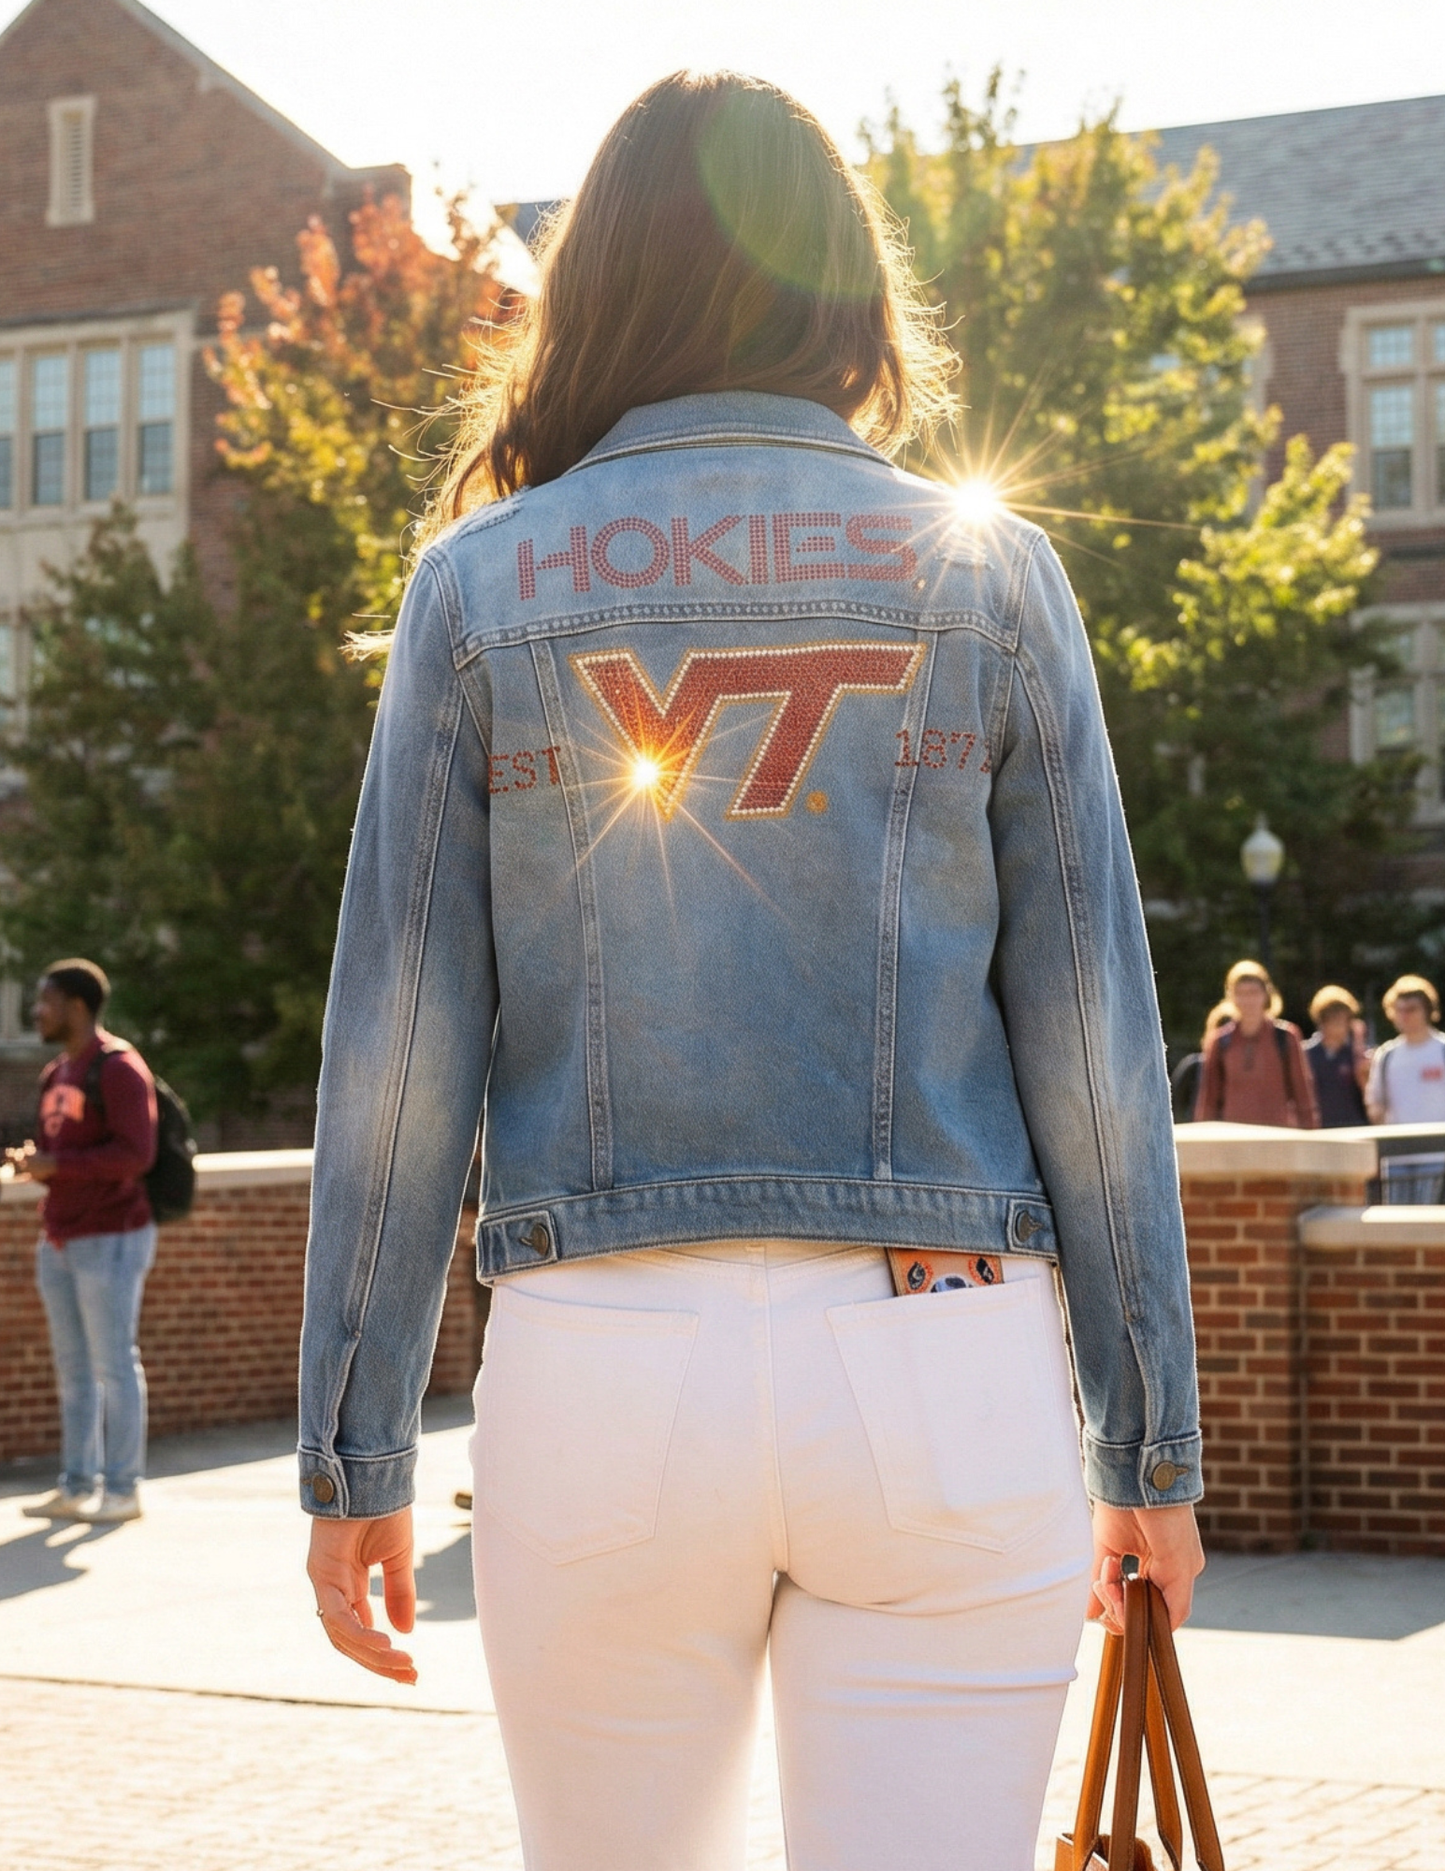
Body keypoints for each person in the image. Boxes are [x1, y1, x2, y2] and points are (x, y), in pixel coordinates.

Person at [298, 71, 1204, 1871]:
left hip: (602, 1359)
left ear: (600, 286)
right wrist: (1150, 1448)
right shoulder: (990, 572)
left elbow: (399, 1056)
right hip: (943, 1355)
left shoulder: (478, 586)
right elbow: (1095, 1046)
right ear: (848, 290)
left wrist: (355, 1453)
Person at [11, 959, 159, 1524]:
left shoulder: (118, 1068)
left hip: (113, 1237)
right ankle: (76, 1484)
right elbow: (68, 1153)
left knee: (114, 1364)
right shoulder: (57, 1074)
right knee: (72, 1369)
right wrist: (39, 1163)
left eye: (44, 1001)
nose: (36, 1012)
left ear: (75, 1005)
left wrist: (57, 1164)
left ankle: (122, 1490)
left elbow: (136, 1154)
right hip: (61, 1237)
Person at [1193, 959, 1320, 1128]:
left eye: (1253, 992)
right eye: (1241, 993)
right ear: (1232, 997)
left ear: (1265, 994)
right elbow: (1208, 1100)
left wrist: (1310, 1135)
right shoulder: (1220, 1041)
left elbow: (1302, 1093)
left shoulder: (1285, 1036)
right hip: (1234, 1139)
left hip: (1278, 1137)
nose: (1248, 1000)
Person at [1365, 975, 1445, 1125]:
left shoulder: (1442, 1049)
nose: (1404, 1016)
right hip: (1401, 1145)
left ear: (1427, 1010)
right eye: (1399, 1010)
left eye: (1411, 1010)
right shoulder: (1386, 1055)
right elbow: (1376, 1103)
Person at [1302, 985, 1370, 1128]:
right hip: (1318, 1131)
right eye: (1332, 1017)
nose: (1337, 1023)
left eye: (1342, 1017)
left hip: (1355, 1129)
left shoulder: (1359, 1055)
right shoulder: (1305, 1054)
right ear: (1321, 1020)